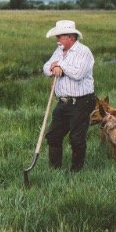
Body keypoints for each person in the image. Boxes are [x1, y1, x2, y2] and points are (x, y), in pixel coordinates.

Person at [42, 20, 95, 172]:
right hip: (63, 102)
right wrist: (53, 66)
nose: (57, 40)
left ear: (71, 37)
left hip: (81, 101)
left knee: (76, 139)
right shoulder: (58, 51)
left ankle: (76, 172)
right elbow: (46, 68)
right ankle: (54, 169)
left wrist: (61, 66)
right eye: (57, 36)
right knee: (53, 136)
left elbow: (78, 74)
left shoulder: (84, 52)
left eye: (60, 36)